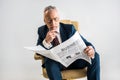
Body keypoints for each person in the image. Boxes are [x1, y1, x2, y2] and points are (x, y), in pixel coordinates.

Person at [37, 5, 100, 80]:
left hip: (74, 60)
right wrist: (46, 41)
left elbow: (86, 43)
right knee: (49, 62)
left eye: (55, 19)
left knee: (95, 56)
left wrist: (91, 49)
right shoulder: (42, 31)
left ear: (59, 18)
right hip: (56, 64)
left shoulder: (69, 28)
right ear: (44, 21)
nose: (53, 23)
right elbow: (38, 51)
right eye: (49, 20)